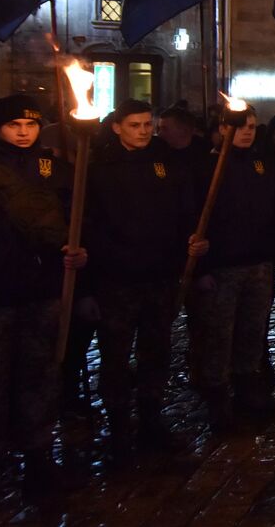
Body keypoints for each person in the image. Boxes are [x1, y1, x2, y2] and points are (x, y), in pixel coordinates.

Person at [0, 107, 86, 507]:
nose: (24, 132)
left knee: (39, 377)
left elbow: (74, 218)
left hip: (40, 291)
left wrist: (78, 253)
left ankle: (39, 460)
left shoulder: (55, 168)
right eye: (14, 125)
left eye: (31, 125)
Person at [87, 99, 205, 463]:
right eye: (134, 125)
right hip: (118, 281)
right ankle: (120, 427)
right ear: (117, 127)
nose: (142, 131)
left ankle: (152, 419)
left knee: (156, 352)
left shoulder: (166, 162)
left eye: (146, 124)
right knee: (117, 357)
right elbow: (91, 225)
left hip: (160, 276)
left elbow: (186, 210)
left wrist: (191, 239)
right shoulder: (100, 168)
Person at [184, 103, 275, 431]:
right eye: (240, 126)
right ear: (222, 128)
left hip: (258, 262)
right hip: (222, 267)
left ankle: (247, 387)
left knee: (251, 331)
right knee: (219, 334)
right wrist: (199, 268)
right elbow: (191, 218)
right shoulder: (204, 167)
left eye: (252, 126)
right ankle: (217, 396)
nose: (246, 132)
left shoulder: (262, 163)